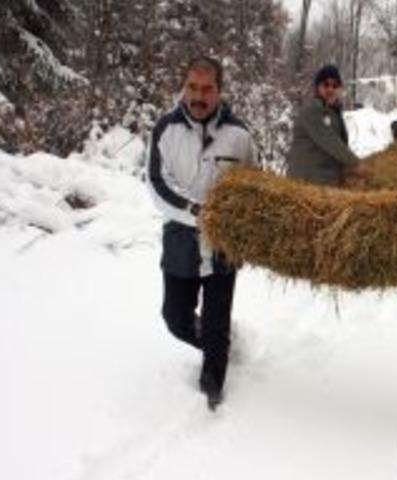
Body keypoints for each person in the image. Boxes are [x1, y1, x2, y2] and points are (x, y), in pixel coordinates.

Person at [147, 56, 256, 411]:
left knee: (215, 323)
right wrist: (197, 213)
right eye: (192, 86)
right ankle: (219, 344)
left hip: (224, 246)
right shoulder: (165, 129)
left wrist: (246, 227)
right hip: (181, 242)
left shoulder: (240, 136)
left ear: (220, 91)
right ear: (183, 86)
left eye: (207, 88)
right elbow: (157, 185)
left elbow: (255, 186)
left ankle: (213, 391)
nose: (199, 95)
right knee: (175, 318)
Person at [286, 64, 359, 186]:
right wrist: (359, 165)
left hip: (322, 183)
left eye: (335, 85)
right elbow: (332, 143)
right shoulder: (312, 110)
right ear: (317, 87)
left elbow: (340, 144)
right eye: (326, 84)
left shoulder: (333, 112)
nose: (330, 89)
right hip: (306, 184)